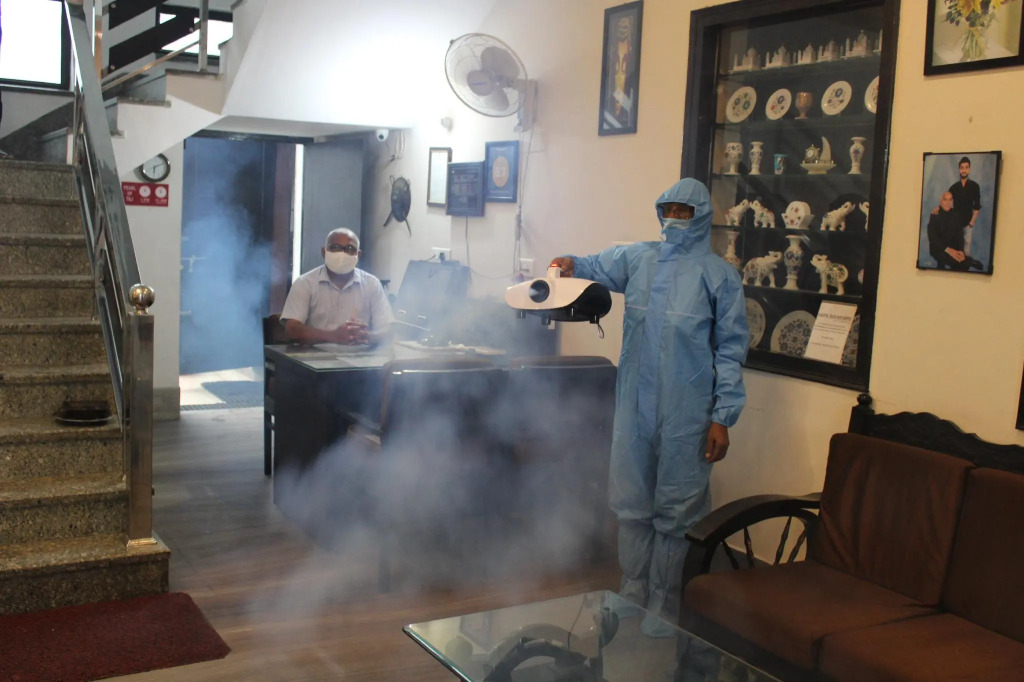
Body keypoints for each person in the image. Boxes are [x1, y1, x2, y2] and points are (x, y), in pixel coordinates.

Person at [550, 178, 749, 623]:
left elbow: (731, 350)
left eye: (684, 212)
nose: (675, 218)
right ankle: (632, 592)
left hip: (688, 413)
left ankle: (664, 605)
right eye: (669, 210)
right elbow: (595, 266)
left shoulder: (719, 277)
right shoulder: (640, 259)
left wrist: (723, 417)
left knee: (677, 511)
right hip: (634, 409)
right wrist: (570, 263)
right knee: (632, 504)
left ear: (700, 216)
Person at [280, 228, 393, 345]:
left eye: (350, 249)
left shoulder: (372, 284)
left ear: (358, 255)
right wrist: (333, 336)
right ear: (324, 252)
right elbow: (292, 330)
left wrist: (367, 337)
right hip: (316, 354)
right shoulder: (305, 283)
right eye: (335, 247)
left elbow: (387, 329)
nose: (342, 254)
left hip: (360, 354)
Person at [927, 191, 982, 271]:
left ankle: (968, 261)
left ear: (952, 201)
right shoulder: (935, 214)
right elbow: (932, 238)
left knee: (960, 261)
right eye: (945, 199)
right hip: (939, 248)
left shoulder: (956, 214)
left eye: (950, 200)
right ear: (941, 201)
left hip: (954, 249)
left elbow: (960, 236)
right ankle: (970, 262)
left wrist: (960, 251)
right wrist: (948, 250)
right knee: (958, 263)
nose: (948, 202)